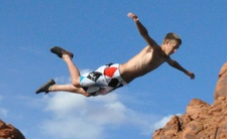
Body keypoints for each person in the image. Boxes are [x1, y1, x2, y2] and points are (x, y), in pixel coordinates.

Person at [36, 12, 194, 97]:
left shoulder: (166, 58)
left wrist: (187, 72)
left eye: (177, 48)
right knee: (77, 82)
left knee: (86, 94)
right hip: (115, 72)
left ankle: (52, 87)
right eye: (174, 47)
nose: (175, 51)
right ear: (166, 42)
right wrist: (137, 21)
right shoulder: (156, 49)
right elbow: (145, 35)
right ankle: (66, 56)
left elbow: (175, 64)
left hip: (121, 81)